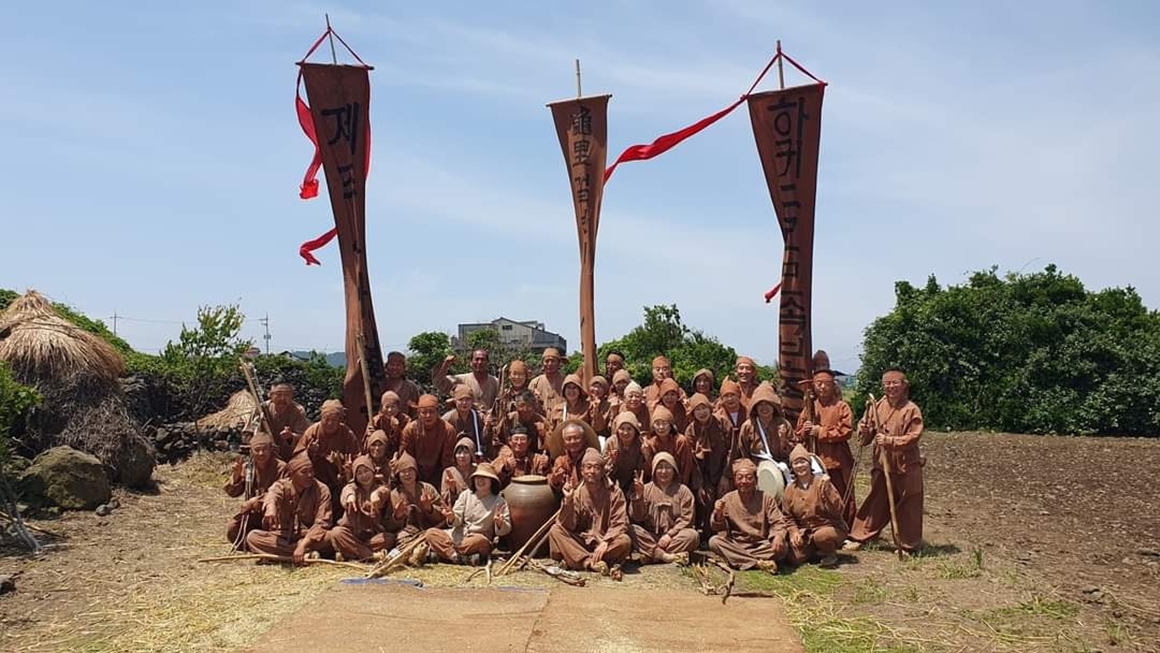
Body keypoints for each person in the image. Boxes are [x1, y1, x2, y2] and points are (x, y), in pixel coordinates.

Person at [844, 369, 925, 555]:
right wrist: (864, 430)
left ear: (904, 385)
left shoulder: (911, 409)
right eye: (887, 383)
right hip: (883, 464)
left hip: (906, 465)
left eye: (895, 383)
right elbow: (866, 437)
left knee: (908, 505)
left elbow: (914, 436)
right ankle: (860, 537)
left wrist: (891, 442)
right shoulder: (877, 406)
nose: (890, 387)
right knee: (876, 502)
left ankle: (907, 545)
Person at [547, 448, 632, 579]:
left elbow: (620, 522)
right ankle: (589, 562)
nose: (592, 471)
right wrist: (568, 501)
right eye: (588, 467)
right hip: (583, 541)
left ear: (603, 471)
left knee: (625, 541)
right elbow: (567, 525)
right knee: (555, 530)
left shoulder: (614, 492)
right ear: (582, 471)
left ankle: (575, 558)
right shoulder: (577, 493)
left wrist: (606, 541)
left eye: (597, 467)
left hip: (605, 543)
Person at [795, 365, 856, 526]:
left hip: (837, 460)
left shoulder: (841, 406)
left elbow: (846, 430)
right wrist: (805, 431)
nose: (822, 387)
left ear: (833, 385)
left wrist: (821, 431)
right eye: (818, 383)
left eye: (826, 383)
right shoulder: (809, 407)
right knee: (817, 494)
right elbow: (799, 433)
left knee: (841, 494)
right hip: (815, 460)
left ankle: (845, 526)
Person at [245, 453, 332, 564]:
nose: (309, 475)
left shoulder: (322, 490)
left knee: (331, 537)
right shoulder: (282, 486)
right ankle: (305, 555)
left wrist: (304, 544)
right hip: (284, 535)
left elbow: (322, 523)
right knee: (253, 537)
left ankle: (288, 554)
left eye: (311, 471)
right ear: (292, 474)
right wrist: (271, 508)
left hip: (309, 536)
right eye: (304, 472)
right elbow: (272, 494)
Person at [708, 459, 791, 573]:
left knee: (783, 547)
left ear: (755, 480)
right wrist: (718, 513)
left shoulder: (766, 499)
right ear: (735, 481)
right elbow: (717, 528)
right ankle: (758, 562)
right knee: (714, 542)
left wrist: (778, 536)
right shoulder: (728, 498)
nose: (744, 481)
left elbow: (778, 522)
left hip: (761, 546)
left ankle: (739, 559)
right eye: (740, 477)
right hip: (738, 545)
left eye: (749, 477)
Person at [426, 463, 511, 565]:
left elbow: (506, 529)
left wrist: (499, 523)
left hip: (476, 539)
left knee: (481, 542)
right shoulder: (466, 495)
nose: (480, 481)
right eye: (477, 478)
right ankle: (457, 557)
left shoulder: (499, 501)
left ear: (492, 481)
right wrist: (452, 517)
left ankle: (444, 554)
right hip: (458, 535)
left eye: (484, 478)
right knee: (431, 533)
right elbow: (456, 519)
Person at [628, 452, 699, 565]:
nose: (664, 472)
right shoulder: (646, 489)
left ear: (674, 470)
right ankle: (665, 556)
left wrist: (669, 535)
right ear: (654, 471)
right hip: (651, 536)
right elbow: (637, 517)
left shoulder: (683, 491)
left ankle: (651, 554)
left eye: (668, 467)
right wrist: (639, 497)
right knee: (630, 529)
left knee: (692, 536)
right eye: (660, 468)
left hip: (674, 538)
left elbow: (687, 519)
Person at [783, 445, 847, 568]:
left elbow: (838, 510)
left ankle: (830, 553)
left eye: (803, 462)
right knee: (794, 558)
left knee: (821, 537)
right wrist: (793, 532)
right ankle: (816, 552)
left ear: (809, 464)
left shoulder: (821, 482)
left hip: (830, 527)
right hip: (807, 533)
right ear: (792, 467)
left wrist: (827, 491)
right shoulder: (790, 490)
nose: (800, 466)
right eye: (796, 463)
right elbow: (788, 517)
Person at [294, 399, 360, 517]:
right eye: (326, 419)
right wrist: (309, 453)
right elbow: (296, 459)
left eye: (333, 420)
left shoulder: (347, 434)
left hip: (339, 480)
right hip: (315, 479)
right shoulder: (312, 432)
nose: (329, 423)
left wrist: (347, 466)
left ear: (340, 420)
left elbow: (357, 458)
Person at [326, 455, 394, 561]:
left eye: (366, 471)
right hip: (352, 534)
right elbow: (347, 491)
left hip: (371, 536)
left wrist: (376, 494)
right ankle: (370, 555)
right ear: (355, 476)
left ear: (372, 471)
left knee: (388, 538)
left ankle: (350, 553)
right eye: (359, 473)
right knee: (336, 533)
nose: (364, 476)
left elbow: (384, 492)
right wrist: (350, 497)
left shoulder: (380, 487)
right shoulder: (352, 488)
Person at [225, 431, 286, 547]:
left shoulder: (281, 468)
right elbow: (233, 493)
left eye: (264, 449)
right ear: (251, 452)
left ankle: (261, 545)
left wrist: (256, 501)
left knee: (272, 531)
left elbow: (282, 493)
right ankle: (255, 545)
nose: (261, 453)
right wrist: (236, 476)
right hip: (253, 514)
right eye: (257, 450)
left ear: (271, 449)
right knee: (232, 529)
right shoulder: (248, 468)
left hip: (275, 514)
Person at [685, 393, 731, 533]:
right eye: (697, 409)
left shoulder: (723, 423)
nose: (702, 412)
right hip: (704, 476)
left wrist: (726, 476)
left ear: (710, 408)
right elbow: (693, 462)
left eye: (704, 408)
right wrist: (699, 485)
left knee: (727, 496)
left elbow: (732, 451)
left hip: (723, 470)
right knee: (706, 499)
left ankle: (729, 530)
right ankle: (707, 533)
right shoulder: (691, 431)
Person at [385, 452, 444, 547]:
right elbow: (387, 525)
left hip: (429, 531)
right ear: (398, 475)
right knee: (401, 539)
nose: (407, 474)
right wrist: (397, 516)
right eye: (403, 471)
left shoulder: (428, 488)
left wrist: (430, 508)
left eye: (410, 470)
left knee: (434, 536)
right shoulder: (394, 494)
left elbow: (443, 516)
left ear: (416, 472)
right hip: (406, 534)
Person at [400, 394, 457, 488]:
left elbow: (448, 461)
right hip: (415, 474)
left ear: (438, 412)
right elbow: (406, 457)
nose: (428, 415)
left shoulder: (448, 430)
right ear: (418, 413)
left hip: (439, 474)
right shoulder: (410, 429)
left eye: (431, 412)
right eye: (424, 412)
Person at [733, 382, 792, 464]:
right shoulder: (748, 426)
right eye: (761, 405)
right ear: (755, 407)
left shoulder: (784, 424)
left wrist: (783, 440)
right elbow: (743, 450)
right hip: (756, 468)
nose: (764, 408)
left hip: (780, 467)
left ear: (773, 406)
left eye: (768, 404)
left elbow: (792, 452)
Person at [645, 406, 698, 490]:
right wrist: (646, 455)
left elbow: (686, 467)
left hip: (680, 483)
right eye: (657, 424)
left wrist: (681, 487)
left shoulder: (681, 441)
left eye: (664, 423)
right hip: (658, 484)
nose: (661, 427)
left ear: (671, 426)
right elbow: (650, 471)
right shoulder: (651, 443)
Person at [603, 412, 652, 496]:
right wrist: (612, 462)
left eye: (629, 429)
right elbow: (603, 470)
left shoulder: (641, 444)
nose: (625, 433)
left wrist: (647, 456)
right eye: (622, 429)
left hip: (633, 480)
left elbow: (646, 471)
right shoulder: (611, 442)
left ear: (635, 430)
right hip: (614, 479)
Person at [261, 383, 313, 462]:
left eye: (286, 395)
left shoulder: (298, 411)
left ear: (291, 396)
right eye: (278, 394)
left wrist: (290, 436)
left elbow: (303, 436)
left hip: (289, 454)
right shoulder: (262, 408)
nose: (282, 398)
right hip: (265, 453)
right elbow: (251, 432)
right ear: (271, 395)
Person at [433, 349, 500, 409]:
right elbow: (438, 383)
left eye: (482, 359)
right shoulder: (461, 380)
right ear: (470, 363)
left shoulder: (496, 382)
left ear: (487, 362)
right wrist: (446, 365)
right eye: (476, 359)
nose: (479, 362)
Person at [547, 420, 600, 492]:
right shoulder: (561, 461)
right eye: (568, 439)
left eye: (577, 438)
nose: (573, 442)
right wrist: (555, 481)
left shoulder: (591, 458)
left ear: (584, 440)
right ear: (564, 442)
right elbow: (557, 485)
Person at [442, 386, 493, 460]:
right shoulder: (447, 418)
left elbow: (485, 439)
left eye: (468, 399)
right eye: (460, 400)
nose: (464, 403)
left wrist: (487, 427)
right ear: (455, 401)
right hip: (454, 456)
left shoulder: (479, 417)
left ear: (472, 401)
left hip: (475, 456)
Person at [382, 351, 422, 418]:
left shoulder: (411, 387)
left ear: (404, 368)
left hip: (405, 425)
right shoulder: (380, 385)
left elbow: (415, 410)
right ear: (386, 367)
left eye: (398, 365)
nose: (395, 368)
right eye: (392, 364)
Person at [441, 437, 478, 505]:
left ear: (472, 455)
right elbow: (444, 499)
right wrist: (453, 490)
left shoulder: (478, 470)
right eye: (459, 452)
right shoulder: (448, 472)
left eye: (466, 452)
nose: (462, 456)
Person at [529, 347, 566, 413]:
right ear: (542, 363)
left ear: (558, 363)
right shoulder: (534, 383)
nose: (549, 364)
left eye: (553, 361)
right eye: (547, 361)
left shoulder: (565, 382)